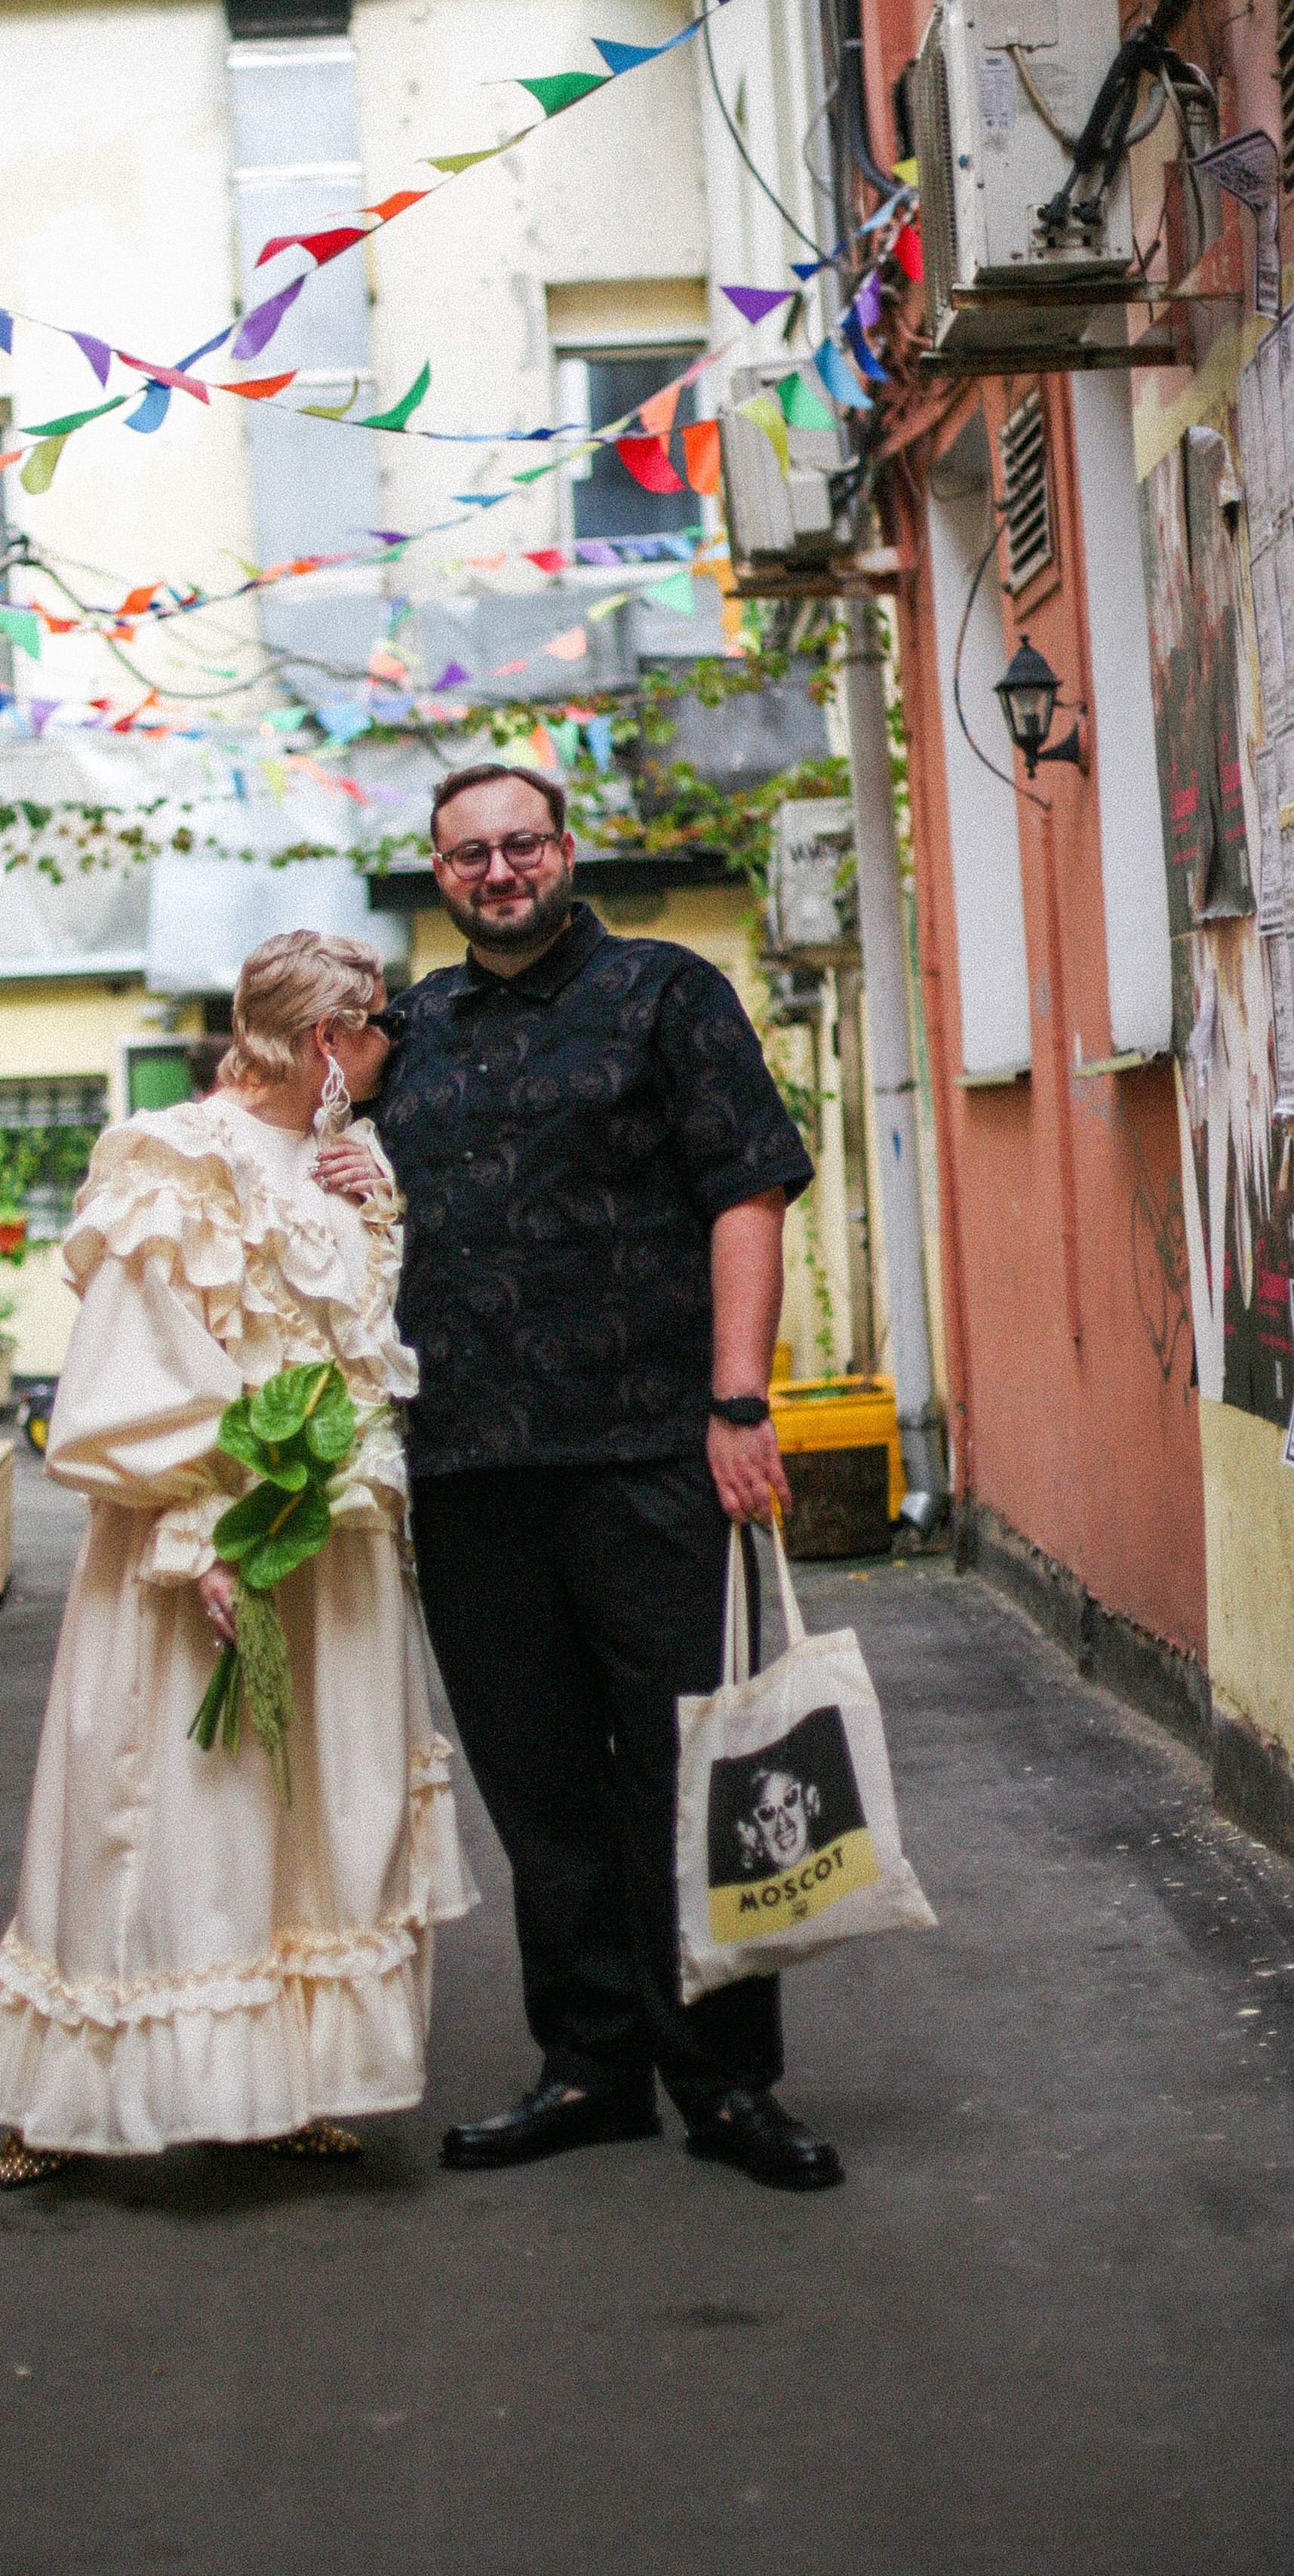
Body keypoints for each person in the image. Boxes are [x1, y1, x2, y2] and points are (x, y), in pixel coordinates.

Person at [368, 761, 842, 2192]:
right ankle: (589, 2067)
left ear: (566, 852)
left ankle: (726, 2082)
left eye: (521, 845)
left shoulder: (664, 995)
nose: (498, 872)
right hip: (464, 1466)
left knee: (689, 1769)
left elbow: (746, 1190)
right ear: (440, 874)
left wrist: (740, 1400)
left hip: (648, 1450)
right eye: (469, 855)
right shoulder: (411, 1030)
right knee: (540, 1785)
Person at [0, 930, 473, 2180]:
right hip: (205, 1541)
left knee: (307, 1817)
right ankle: (66, 2099)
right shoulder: (177, 1160)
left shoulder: (348, 1161)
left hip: (331, 1550)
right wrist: (210, 1535)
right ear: (326, 1039)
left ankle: (283, 2081)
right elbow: (129, 1376)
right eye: (375, 1027)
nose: (389, 1050)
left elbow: (366, 1350)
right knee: (166, 1812)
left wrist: (380, 1208)